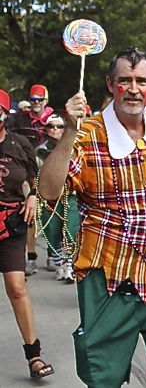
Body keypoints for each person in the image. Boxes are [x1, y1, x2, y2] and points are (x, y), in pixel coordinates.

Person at [37, 47, 146, 388]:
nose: (133, 89)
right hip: (103, 271)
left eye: (140, 81)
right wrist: (68, 131)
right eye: (124, 80)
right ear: (110, 84)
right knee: (104, 376)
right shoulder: (87, 132)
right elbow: (48, 191)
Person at [0, 89, 54, 379]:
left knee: (17, 287)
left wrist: (33, 196)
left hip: (11, 222)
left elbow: (36, 179)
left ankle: (33, 356)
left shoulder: (19, 144)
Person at [9, 84, 54, 275]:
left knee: (53, 215)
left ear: (46, 100)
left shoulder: (54, 120)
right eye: (33, 99)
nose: (36, 103)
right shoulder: (20, 119)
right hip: (29, 171)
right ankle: (32, 257)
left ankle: (54, 255)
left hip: (51, 170)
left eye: (39, 100)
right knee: (30, 215)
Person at [38, 113, 79, 282]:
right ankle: (59, 263)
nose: (55, 130)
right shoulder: (40, 150)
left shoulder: (75, 147)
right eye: (51, 126)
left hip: (71, 195)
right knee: (53, 230)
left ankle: (69, 266)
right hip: (50, 197)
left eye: (59, 126)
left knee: (71, 229)